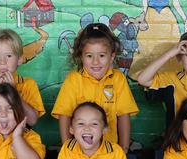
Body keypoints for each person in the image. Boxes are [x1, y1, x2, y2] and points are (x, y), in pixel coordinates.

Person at [52, 23, 138, 152]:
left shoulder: (118, 79)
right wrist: (67, 148)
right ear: (81, 57)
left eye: (102, 56)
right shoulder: (73, 79)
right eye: (89, 56)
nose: (95, 62)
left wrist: (123, 148)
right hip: (80, 151)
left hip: (109, 150)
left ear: (111, 57)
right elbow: (65, 115)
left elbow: (123, 115)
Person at [0, 29, 44, 128]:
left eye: (9, 56)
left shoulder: (28, 84)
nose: (2, 62)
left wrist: (14, 92)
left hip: (21, 137)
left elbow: (32, 121)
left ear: (19, 59)